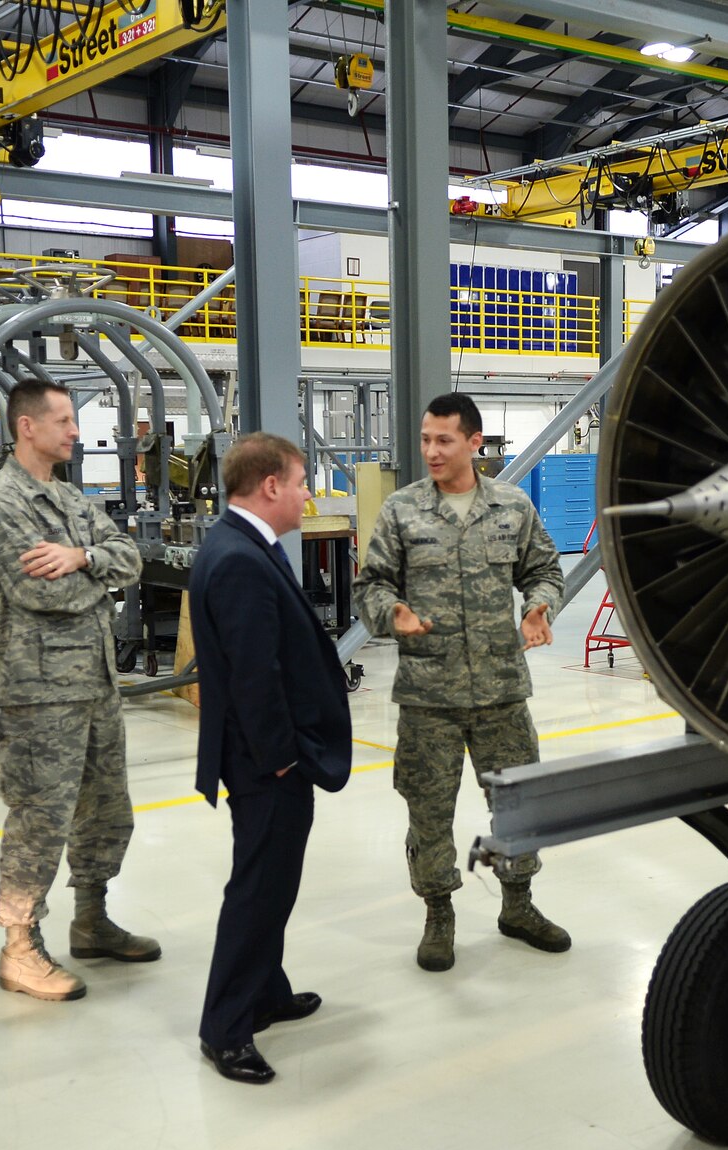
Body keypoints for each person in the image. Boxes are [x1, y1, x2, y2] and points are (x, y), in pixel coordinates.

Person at [354, 392, 569, 972]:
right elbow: (370, 584)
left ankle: (518, 905)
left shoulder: (512, 507)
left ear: (475, 443)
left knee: (518, 803)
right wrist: (390, 613)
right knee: (428, 811)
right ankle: (439, 915)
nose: (431, 451)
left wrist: (540, 607)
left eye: (443, 440)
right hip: (429, 696)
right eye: (425, 439)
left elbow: (545, 570)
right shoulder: (402, 511)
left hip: (500, 688)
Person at [0, 380, 153, 1001]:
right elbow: (38, 593)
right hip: (41, 690)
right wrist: (95, 568)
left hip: (96, 682)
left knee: (106, 807)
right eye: (66, 420)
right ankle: (19, 946)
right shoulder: (0, 503)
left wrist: (82, 559)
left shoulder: (70, 498)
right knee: (41, 818)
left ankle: (91, 919)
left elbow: (131, 556)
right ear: (27, 427)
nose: (76, 431)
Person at [190, 433, 352, 1083]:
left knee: (274, 880)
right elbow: (255, 674)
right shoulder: (238, 559)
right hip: (265, 763)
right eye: (303, 479)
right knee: (257, 888)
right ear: (270, 487)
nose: (309, 491)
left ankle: (266, 989)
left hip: (265, 757)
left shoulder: (246, 546)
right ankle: (225, 1026)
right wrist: (283, 758)